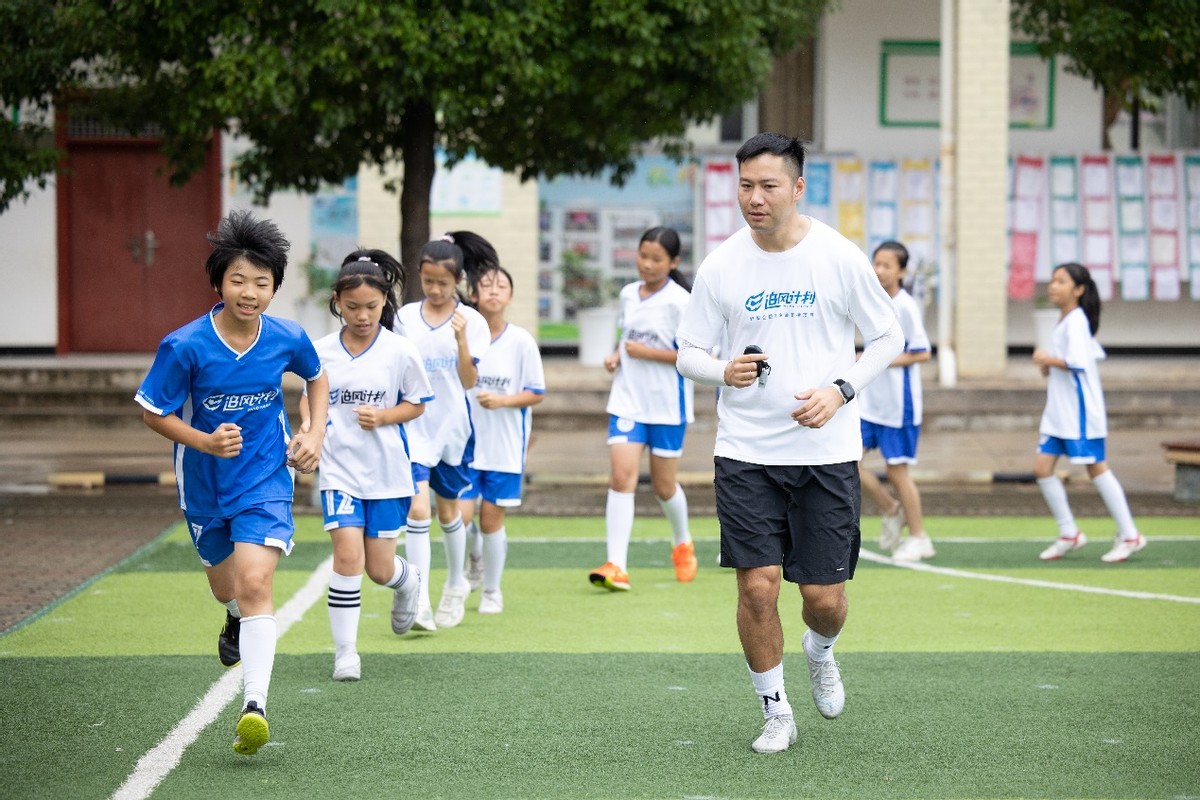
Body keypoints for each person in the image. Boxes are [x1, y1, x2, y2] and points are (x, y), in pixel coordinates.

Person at [675, 133, 903, 754]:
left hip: (825, 455)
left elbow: (888, 337)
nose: (755, 197)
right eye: (745, 185)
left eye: (769, 185)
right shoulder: (721, 265)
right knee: (757, 585)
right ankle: (775, 710)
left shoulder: (837, 256)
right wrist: (723, 370)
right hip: (746, 452)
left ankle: (820, 650)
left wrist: (840, 389)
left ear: (798, 187)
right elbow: (686, 353)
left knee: (824, 600)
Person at [134, 209, 328, 756]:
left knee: (257, 582)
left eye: (262, 283)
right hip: (203, 485)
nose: (250, 292)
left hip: (266, 475)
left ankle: (255, 706)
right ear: (218, 282)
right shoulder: (185, 346)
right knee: (229, 589)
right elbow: (153, 411)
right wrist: (204, 441)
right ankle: (234, 617)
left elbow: (316, 377)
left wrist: (314, 431)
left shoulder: (287, 337)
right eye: (238, 280)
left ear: (275, 288)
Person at [302, 250, 433, 681]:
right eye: (353, 307)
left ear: (385, 303)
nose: (362, 315)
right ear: (337, 301)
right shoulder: (319, 352)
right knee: (347, 557)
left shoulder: (400, 351)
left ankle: (407, 580)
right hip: (339, 471)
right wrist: (308, 429)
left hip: (388, 473)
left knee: (380, 569)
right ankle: (346, 655)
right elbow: (310, 395)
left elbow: (416, 404)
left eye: (372, 307)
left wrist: (384, 416)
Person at [588, 226, 699, 592]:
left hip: (668, 406)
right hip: (627, 401)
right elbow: (626, 336)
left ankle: (682, 543)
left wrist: (647, 353)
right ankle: (616, 565)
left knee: (665, 486)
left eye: (656, 259)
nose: (647, 265)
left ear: (673, 262)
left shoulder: (681, 302)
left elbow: (695, 357)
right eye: (643, 256)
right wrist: (615, 357)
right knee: (621, 478)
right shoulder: (627, 295)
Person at [395, 232, 493, 630]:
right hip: (414, 427)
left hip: (454, 429)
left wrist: (461, 339)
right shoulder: (403, 320)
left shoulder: (472, 321)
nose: (435, 290)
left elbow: (469, 382)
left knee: (449, 510)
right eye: (428, 281)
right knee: (419, 510)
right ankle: (418, 603)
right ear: (419, 276)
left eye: (444, 283)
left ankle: (456, 583)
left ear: (459, 282)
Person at [1033, 262, 1147, 563]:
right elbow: (1077, 360)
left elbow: (1079, 363)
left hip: (1080, 414)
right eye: (1052, 280)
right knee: (1042, 468)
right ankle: (1069, 532)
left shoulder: (1077, 321)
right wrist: (1049, 364)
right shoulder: (1066, 320)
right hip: (1058, 413)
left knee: (1096, 467)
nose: (1053, 286)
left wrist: (1049, 358)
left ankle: (1130, 534)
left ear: (1079, 290)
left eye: (1061, 281)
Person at [456, 263, 546, 614]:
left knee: (492, 521)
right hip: (464, 445)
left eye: (501, 286)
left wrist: (503, 400)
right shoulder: (462, 335)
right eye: (486, 286)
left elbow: (536, 392)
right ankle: (471, 562)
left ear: (509, 296)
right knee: (457, 519)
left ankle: (492, 590)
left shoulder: (521, 341)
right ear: (474, 295)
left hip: (504, 448)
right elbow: (458, 383)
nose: (493, 291)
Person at [856, 240, 934, 561]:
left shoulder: (905, 306)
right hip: (869, 403)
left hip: (898, 405)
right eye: (876, 263)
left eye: (887, 265)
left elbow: (922, 351)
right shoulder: (873, 301)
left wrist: (878, 357)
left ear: (901, 271)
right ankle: (890, 509)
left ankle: (919, 537)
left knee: (897, 470)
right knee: (847, 461)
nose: (879, 270)